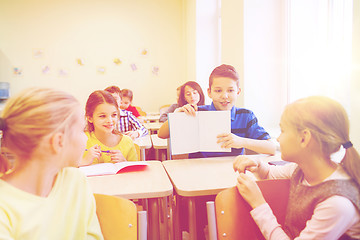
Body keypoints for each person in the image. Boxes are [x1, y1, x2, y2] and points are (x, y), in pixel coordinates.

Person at [233, 96, 360, 239]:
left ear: (304, 138)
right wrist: (257, 166)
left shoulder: (338, 203)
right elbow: (269, 173)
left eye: (282, 130)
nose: (278, 138)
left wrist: (258, 203)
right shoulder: (300, 169)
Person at [0, 88, 103, 239]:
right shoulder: (4, 207)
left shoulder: (76, 181)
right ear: (58, 141)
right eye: (82, 130)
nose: (86, 138)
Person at [158, 64, 276, 158]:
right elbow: (161, 135)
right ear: (209, 92)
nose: (225, 96)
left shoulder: (246, 116)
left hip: (231, 173)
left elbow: (271, 148)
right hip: (197, 173)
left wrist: (241, 141)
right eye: (218, 91)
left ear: (238, 92)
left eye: (230, 90)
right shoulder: (196, 112)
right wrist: (176, 116)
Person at [80, 90, 138, 166]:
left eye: (114, 115)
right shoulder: (81, 141)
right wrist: (83, 162)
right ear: (90, 118)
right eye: (102, 116)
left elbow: (136, 173)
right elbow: (66, 172)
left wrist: (125, 163)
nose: (109, 121)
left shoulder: (127, 142)